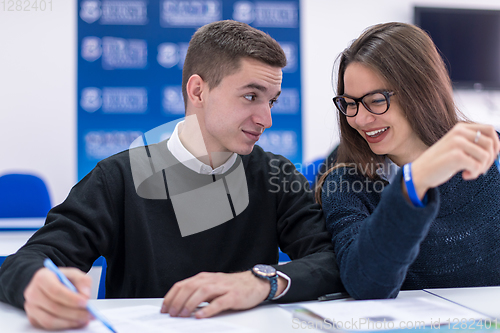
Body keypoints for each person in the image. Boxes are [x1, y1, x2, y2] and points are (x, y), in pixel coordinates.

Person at [0, 20, 343, 330]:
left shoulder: (276, 175)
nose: (266, 119)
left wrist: (261, 282)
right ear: (198, 92)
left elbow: (330, 261)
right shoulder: (118, 176)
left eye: (272, 101)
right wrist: (35, 283)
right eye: (250, 96)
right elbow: (29, 260)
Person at [316, 22, 500, 300]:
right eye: (349, 103)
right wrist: (414, 183)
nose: (359, 119)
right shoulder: (345, 182)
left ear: (421, 89)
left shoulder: (490, 152)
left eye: (376, 100)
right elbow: (365, 282)